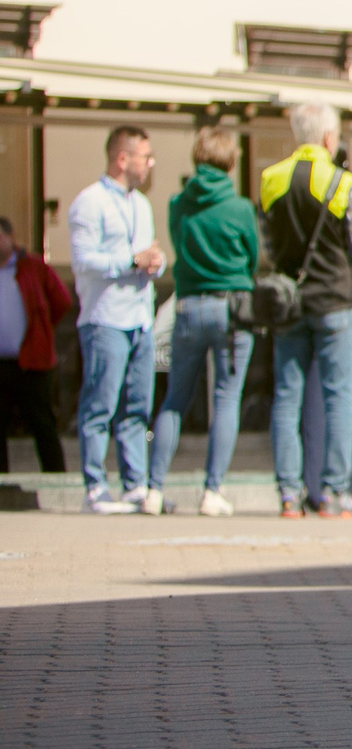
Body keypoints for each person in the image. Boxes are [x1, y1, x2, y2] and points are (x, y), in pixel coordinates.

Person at [258, 102, 352, 518]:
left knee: (287, 397)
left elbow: (269, 245)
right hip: (335, 300)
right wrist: (343, 276)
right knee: (339, 397)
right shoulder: (342, 183)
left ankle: (289, 495)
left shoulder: (270, 180)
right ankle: (334, 493)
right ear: (328, 138)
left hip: (289, 302)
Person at [150, 126, 261, 517]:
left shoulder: (179, 204)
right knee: (226, 399)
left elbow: (178, 246)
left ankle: (153, 489)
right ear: (231, 162)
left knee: (174, 400)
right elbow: (253, 258)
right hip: (231, 310)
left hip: (187, 307)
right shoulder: (241, 208)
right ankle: (212, 492)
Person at [66, 126, 161, 513]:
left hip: (140, 317)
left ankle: (134, 484)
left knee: (137, 405)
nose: (150, 163)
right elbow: (83, 260)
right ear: (123, 159)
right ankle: (95, 488)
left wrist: (156, 262)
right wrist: (129, 261)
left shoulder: (141, 204)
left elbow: (149, 253)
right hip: (105, 319)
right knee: (100, 404)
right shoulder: (88, 203)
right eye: (145, 156)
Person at [0, 216, 72, 474]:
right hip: (1, 363)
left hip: (31, 362)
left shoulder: (32, 267)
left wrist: (41, 330)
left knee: (42, 422)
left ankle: (56, 477)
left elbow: (61, 301)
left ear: (10, 237)